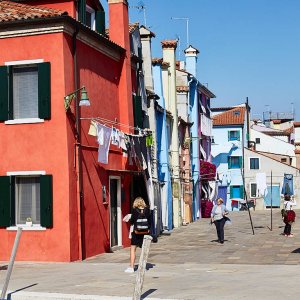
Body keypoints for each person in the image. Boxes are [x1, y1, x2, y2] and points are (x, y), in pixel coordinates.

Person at [124, 197, 151, 273]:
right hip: (145, 233)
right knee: (143, 250)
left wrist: (130, 218)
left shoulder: (135, 211)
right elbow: (150, 221)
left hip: (136, 232)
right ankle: (143, 267)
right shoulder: (147, 210)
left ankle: (131, 267)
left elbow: (132, 222)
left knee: (133, 249)